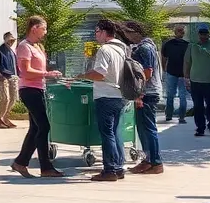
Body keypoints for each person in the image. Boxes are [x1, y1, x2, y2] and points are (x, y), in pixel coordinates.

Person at [10, 16, 63, 178]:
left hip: (38, 88)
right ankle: (45, 167)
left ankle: (21, 162)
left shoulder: (37, 46)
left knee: (36, 128)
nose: (45, 32)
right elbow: (25, 72)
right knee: (44, 126)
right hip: (29, 90)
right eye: (43, 28)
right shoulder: (24, 47)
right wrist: (47, 74)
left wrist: (54, 78)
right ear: (34, 28)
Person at [77, 19, 129, 182]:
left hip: (106, 95)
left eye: (97, 31)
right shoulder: (122, 49)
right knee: (113, 133)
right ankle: (118, 168)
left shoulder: (105, 50)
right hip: (120, 95)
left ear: (105, 33)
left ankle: (110, 170)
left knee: (107, 135)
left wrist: (84, 75)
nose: (95, 35)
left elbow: (100, 74)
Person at [122, 20, 163, 175]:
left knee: (147, 128)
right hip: (147, 92)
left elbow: (146, 72)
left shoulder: (145, 48)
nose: (126, 36)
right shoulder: (146, 46)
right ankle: (148, 159)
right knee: (143, 128)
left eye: (127, 33)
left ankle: (155, 162)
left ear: (134, 32)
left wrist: (139, 93)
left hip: (147, 93)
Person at [183, 26, 210, 138]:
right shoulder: (192, 46)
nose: (203, 36)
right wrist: (186, 77)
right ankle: (200, 128)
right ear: (198, 34)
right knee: (198, 106)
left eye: (205, 34)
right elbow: (187, 61)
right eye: (201, 34)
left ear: (208, 34)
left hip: (209, 80)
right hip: (195, 79)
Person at [160, 25, 190, 123]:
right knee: (170, 95)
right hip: (172, 72)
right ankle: (169, 115)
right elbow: (163, 57)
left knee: (182, 96)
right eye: (179, 30)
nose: (181, 32)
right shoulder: (168, 44)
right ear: (175, 32)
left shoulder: (187, 45)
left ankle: (181, 116)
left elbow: (190, 60)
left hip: (182, 74)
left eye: (182, 31)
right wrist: (164, 68)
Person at [0, 31, 20, 129]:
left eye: (12, 40)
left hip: (13, 77)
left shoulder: (12, 52)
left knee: (13, 98)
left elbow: (16, 65)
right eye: (9, 40)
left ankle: (4, 118)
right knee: (5, 98)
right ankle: (0, 120)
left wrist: (19, 75)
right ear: (5, 40)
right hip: (3, 78)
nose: (11, 42)